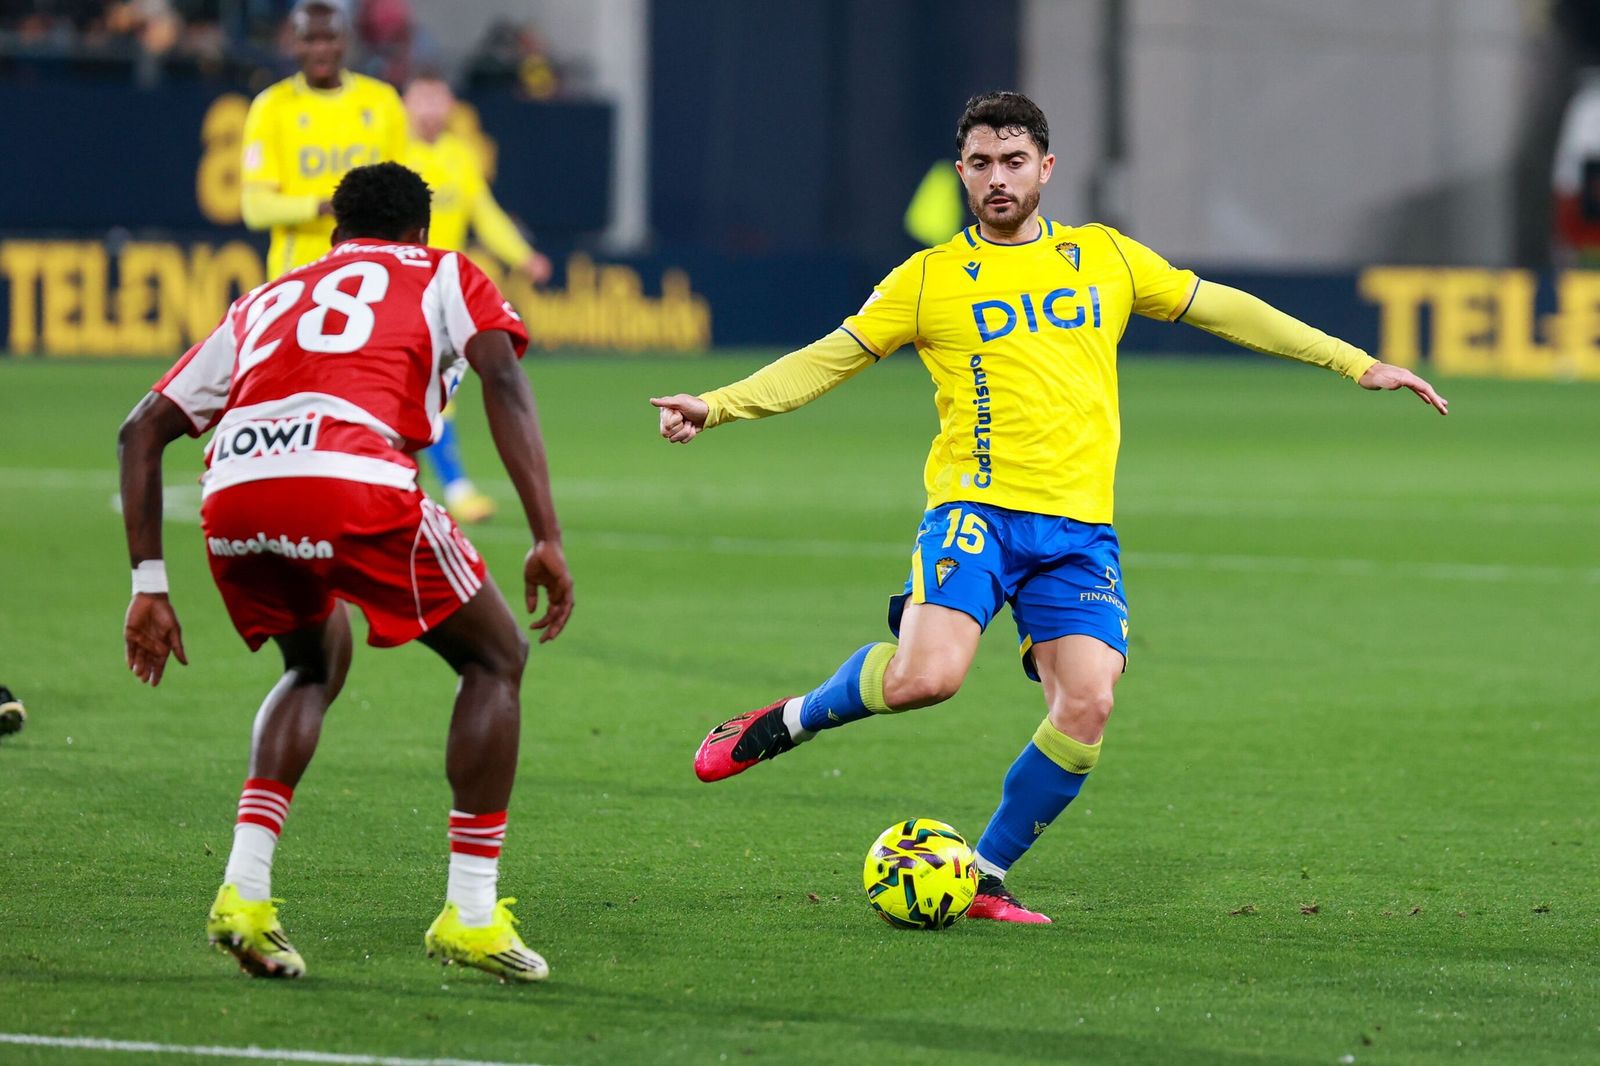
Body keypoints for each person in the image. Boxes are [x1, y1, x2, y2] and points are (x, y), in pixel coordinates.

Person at [650, 91, 1448, 925]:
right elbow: (827, 359)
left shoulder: (1104, 258)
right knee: (928, 679)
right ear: (962, 173)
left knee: (1088, 704)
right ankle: (788, 720)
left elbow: (1221, 306)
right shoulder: (928, 280)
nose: (998, 179)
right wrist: (719, 403)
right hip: (975, 511)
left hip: (1077, 533)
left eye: (1015, 161)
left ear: (1046, 169)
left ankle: (985, 874)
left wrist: (1354, 361)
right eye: (982, 164)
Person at [118, 162, 574, 981]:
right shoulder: (444, 271)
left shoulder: (268, 296)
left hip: (233, 492)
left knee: (313, 661)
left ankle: (244, 892)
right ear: (420, 233)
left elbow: (142, 430)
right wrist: (546, 533)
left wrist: (148, 583)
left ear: (334, 236)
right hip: (354, 481)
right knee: (495, 657)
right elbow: (503, 376)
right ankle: (470, 912)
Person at [402, 73, 554, 524]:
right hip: (397, 287)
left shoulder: (457, 156)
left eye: (438, 99)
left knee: (437, 387)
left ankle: (438, 486)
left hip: (441, 291)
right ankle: (453, 486)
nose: (431, 109)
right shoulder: (388, 151)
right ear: (406, 104)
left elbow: (483, 213)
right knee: (423, 388)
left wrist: (523, 256)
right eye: (421, 99)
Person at [240, 0, 408, 280]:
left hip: (372, 273)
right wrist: (326, 206)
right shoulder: (271, 107)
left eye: (329, 38)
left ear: (346, 41)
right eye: (309, 39)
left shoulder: (382, 101)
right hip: (298, 277)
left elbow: (403, 195)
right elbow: (255, 209)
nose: (320, 49)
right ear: (292, 42)